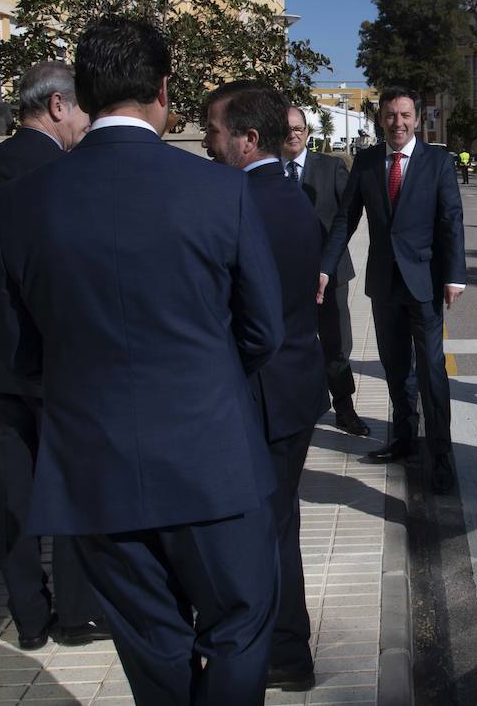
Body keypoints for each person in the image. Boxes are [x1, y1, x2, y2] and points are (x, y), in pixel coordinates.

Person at [0, 16, 284, 705]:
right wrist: (203, 380)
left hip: (94, 469)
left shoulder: (20, 202)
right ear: (161, 89)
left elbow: (18, 350)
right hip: (212, 462)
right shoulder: (221, 190)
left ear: (85, 93)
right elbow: (263, 330)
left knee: (152, 648)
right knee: (239, 628)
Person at [0, 61, 104, 650]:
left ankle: (30, 618)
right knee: (76, 484)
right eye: (83, 109)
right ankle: (78, 612)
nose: (88, 122)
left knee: (10, 493)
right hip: (67, 362)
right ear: (58, 106)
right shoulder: (77, 171)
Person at [204, 83, 328, 692]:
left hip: (265, 393)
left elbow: (248, 319)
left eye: (215, 131)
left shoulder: (240, 201)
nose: (206, 141)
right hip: (294, 386)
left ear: (248, 139)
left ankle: (284, 652)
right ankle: (286, 650)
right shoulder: (290, 194)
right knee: (279, 524)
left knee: (267, 530)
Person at [320, 86, 467, 494]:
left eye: (405, 115)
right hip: (384, 285)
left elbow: (451, 220)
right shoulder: (367, 162)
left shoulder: (437, 161)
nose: (398, 122)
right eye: (390, 115)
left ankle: (440, 455)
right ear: (380, 119)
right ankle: (405, 439)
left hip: (424, 282)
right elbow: (344, 220)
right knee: (396, 368)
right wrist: (325, 267)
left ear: (416, 119)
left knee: (432, 371)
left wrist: (455, 275)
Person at [286, 104, 370, 437]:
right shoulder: (268, 171)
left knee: (336, 345)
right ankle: (295, 411)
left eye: (298, 128)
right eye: (287, 128)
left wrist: (327, 260)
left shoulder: (331, 167)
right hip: (286, 279)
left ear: (307, 132)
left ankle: (345, 410)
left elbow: (347, 216)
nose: (293, 134)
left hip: (330, 274)